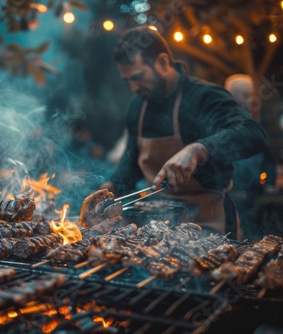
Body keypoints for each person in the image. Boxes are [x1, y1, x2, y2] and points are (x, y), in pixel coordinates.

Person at [100, 26, 269, 239]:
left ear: (162, 63)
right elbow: (132, 160)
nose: (133, 88)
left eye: (139, 77)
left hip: (208, 226)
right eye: (128, 81)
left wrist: (199, 149)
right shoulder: (138, 105)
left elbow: (253, 133)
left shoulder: (205, 97)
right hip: (157, 227)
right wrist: (112, 185)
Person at [224, 74, 277, 238]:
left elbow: (268, 158)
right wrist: (230, 191)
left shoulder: (253, 124)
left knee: (258, 234)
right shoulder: (223, 123)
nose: (250, 100)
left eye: (251, 94)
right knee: (237, 235)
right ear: (231, 95)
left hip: (256, 193)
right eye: (246, 95)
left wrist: (268, 182)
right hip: (234, 195)